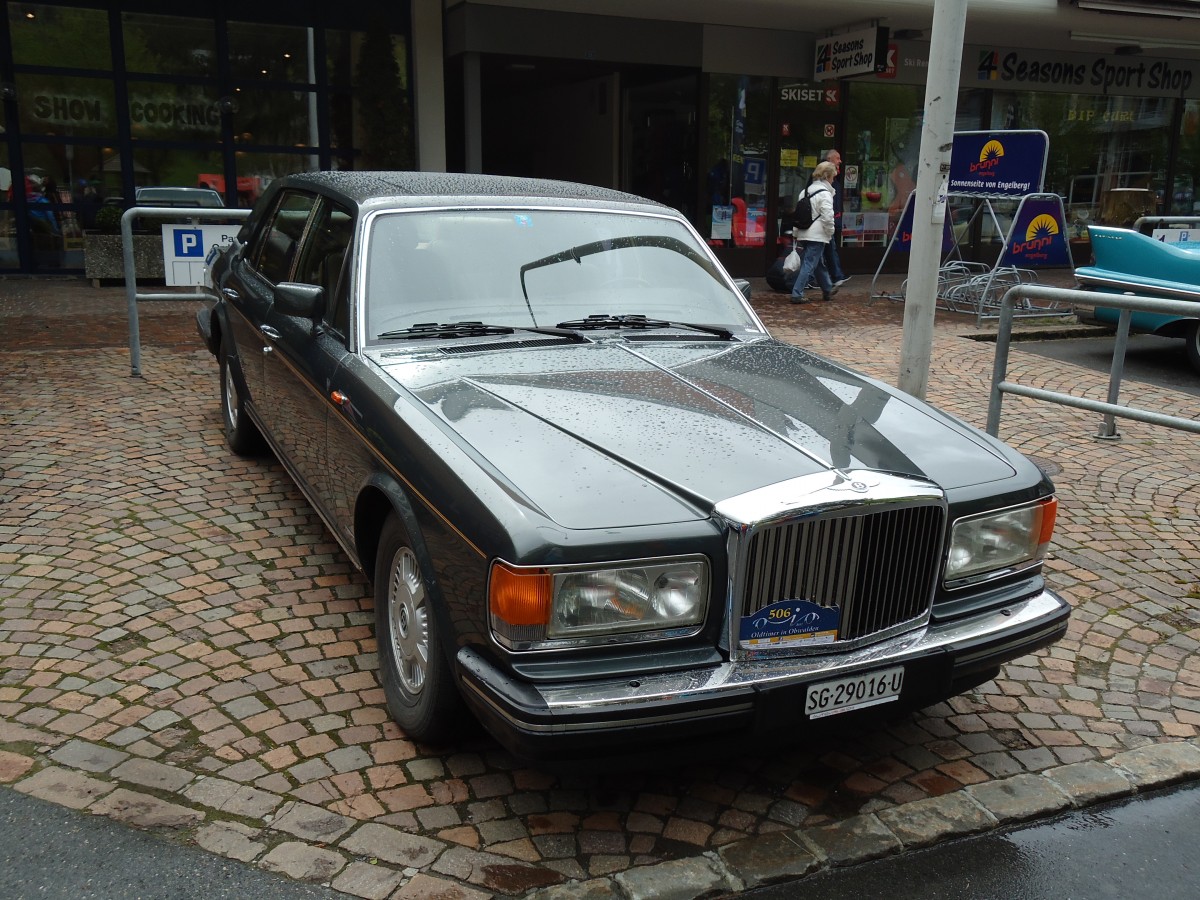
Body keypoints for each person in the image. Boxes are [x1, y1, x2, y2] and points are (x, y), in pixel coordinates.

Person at [790, 160, 838, 304]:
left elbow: (798, 214)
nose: (833, 179)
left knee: (817, 263)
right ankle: (797, 293)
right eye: (833, 177)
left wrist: (796, 232)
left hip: (804, 232)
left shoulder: (804, 192)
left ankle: (827, 289)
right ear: (828, 176)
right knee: (810, 263)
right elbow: (828, 217)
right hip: (817, 235)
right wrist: (830, 233)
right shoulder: (825, 194)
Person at [821, 149, 849, 288]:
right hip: (825, 222)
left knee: (827, 250)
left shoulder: (835, 179)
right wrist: (831, 223)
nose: (840, 161)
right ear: (830, 159)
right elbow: (826, 205)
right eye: (837, 158)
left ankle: (835, 277)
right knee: (823, 251)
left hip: (832, 219)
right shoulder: (823, 180)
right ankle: (836, 277)